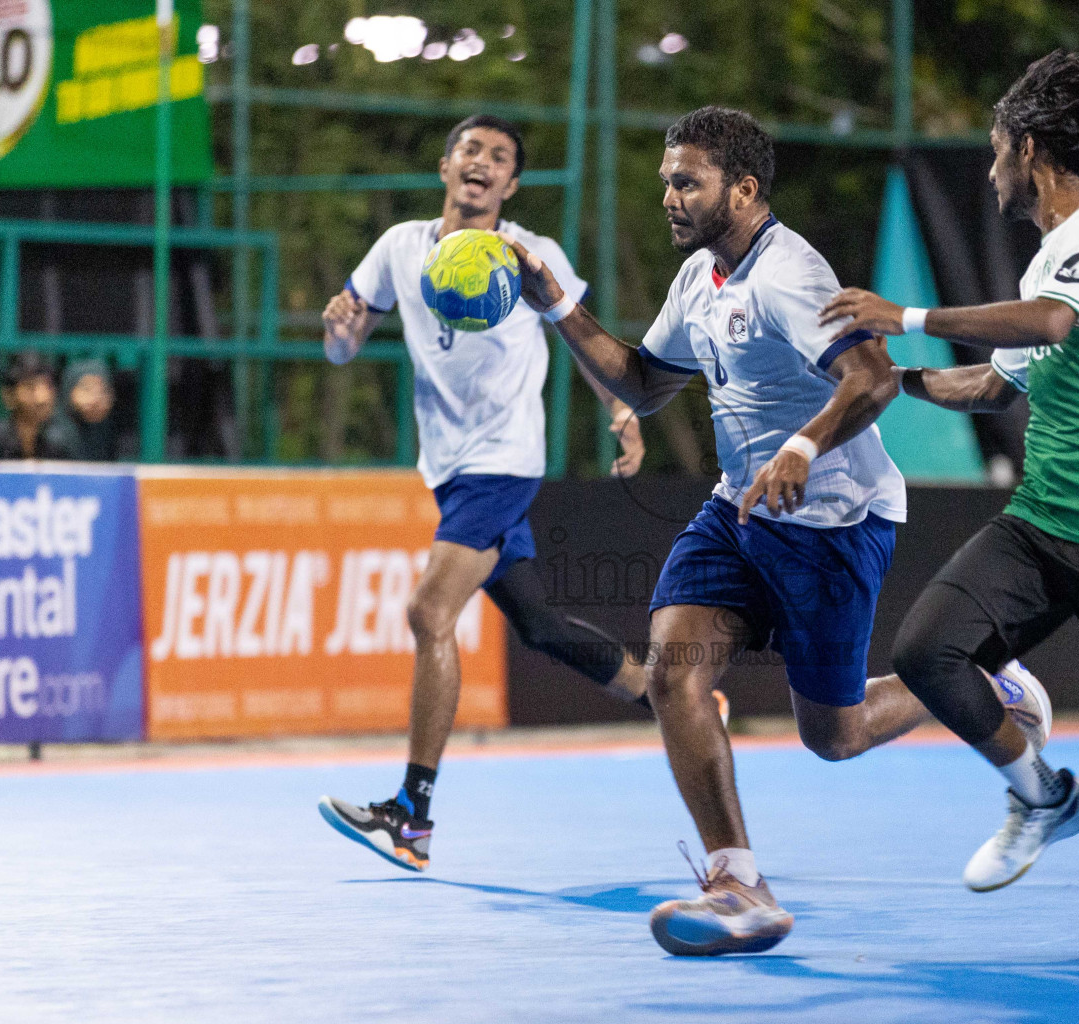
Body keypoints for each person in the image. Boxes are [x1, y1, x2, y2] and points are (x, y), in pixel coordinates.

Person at [503, 105, 1002, 957]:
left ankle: (982, 683)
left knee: (833, 735)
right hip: (739, 509)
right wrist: (559, 309)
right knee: (671, 671)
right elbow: (644, 381)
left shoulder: (790, 275)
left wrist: (805, 445)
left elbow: (873, 380)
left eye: (685, 180)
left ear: (742, 188)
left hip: (835, 522)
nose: (667, 194)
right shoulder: (701, 277)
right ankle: (739, 883)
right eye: (666, 178)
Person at [820, 51, 1079, 962]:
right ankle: (1040, 797)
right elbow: (998, 382)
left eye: (994, 151)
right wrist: (905, 381)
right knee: (926, 651)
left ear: (1028, 150)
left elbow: (1050, 325)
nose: (989, 171)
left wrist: (908, 316)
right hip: (1047, 519)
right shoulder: (1056, 257)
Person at [316, 115, 665, 873]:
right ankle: (673, 698)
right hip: (447, 467)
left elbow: (581, 338)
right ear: (446, 167)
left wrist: (621, 407)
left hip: (504, 461)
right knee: (538, 624)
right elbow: (342, 347)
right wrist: (340, 334)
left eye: (499, 157)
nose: (482, 162)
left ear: (510, 186)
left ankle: (411, 817)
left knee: (427, 610)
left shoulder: (529, 257)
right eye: (470, 149)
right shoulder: (400, 249)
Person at [0, 350, 79, 460]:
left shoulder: (61, 445)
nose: (43, 398)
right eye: (31, 388)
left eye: (48, 387)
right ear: (8, 395)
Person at [51, 358, 119, 462]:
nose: (95, 399)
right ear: (68, 390)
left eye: (103, 391)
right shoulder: (52, 438)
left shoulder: (110, 433)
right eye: (87, 389)